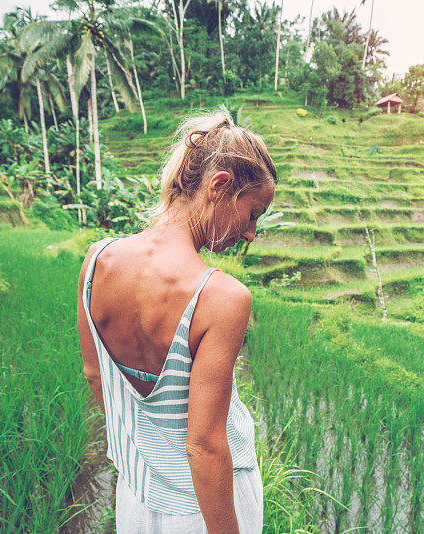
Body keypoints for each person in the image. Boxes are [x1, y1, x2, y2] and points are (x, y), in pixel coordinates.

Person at [76, 109, 277, 533]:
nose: (251, 233)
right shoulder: (221, 297)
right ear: (219, 185)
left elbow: (95, 377)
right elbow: (204, 446)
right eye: (254, 212)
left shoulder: (96, 261)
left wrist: (147, 449)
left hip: (138, 492)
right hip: (211, 506)